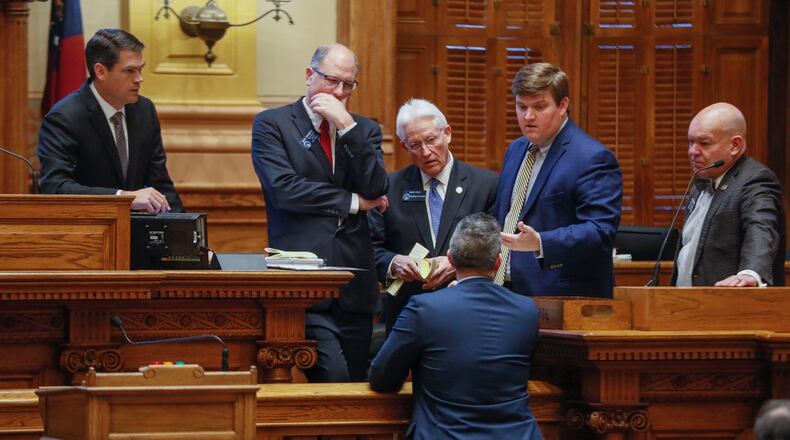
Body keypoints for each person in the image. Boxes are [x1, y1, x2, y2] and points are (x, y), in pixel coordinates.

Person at [251, 44, 389, 382]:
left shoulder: (363, 130)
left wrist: (345, 125)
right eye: (332, 81)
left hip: (354, 283)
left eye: (348, 85)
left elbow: (376, 187)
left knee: (357, 385)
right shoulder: (273, 124)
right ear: (310, 75)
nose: (339, 92)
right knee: (333, 378)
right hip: (303, 281)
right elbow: (285, 189)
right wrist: (353, 203)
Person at [369, 213, 543, 439]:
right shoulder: (526, 310)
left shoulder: (424, 309)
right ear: (498, 262)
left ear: (450, 259)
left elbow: (382, 377)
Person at [492, 62, 622, 298]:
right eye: (522, 107)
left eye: (539, 107)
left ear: (563, 106)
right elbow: (504, 215)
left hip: (560, 295)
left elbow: (600, 231)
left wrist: (540, 241)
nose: (528, 116)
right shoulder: (516, 149)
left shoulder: (592, 158)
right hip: (506, 290)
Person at [368, 98, 498, 333]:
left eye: (431, 140)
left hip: (470, 315)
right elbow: (370, 248)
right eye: (415, 145)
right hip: (408, 316)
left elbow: (497, 248)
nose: (426, 152)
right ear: (404, 146)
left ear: (447, 133)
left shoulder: (486, 185)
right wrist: (393, 263)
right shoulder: (389, 188)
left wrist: (453, 261)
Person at [37, 28, 183, 213]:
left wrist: (187, 235)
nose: (139, 78)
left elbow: (160, 184)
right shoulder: (65, 117)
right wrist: (123, 198)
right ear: (101, 71)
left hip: (137, 232)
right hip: (89, 230)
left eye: (140, 69)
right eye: (129, 70)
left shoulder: (144, 111)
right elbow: (55, 188)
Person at [672, 102, 785, 287]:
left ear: (735, 145)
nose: (693, 152)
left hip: (729, 306)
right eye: (691, 142)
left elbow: (761, 227)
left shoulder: (755, 180)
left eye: (704, 143)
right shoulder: (701, 182)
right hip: (686, 305)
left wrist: (751, 273)